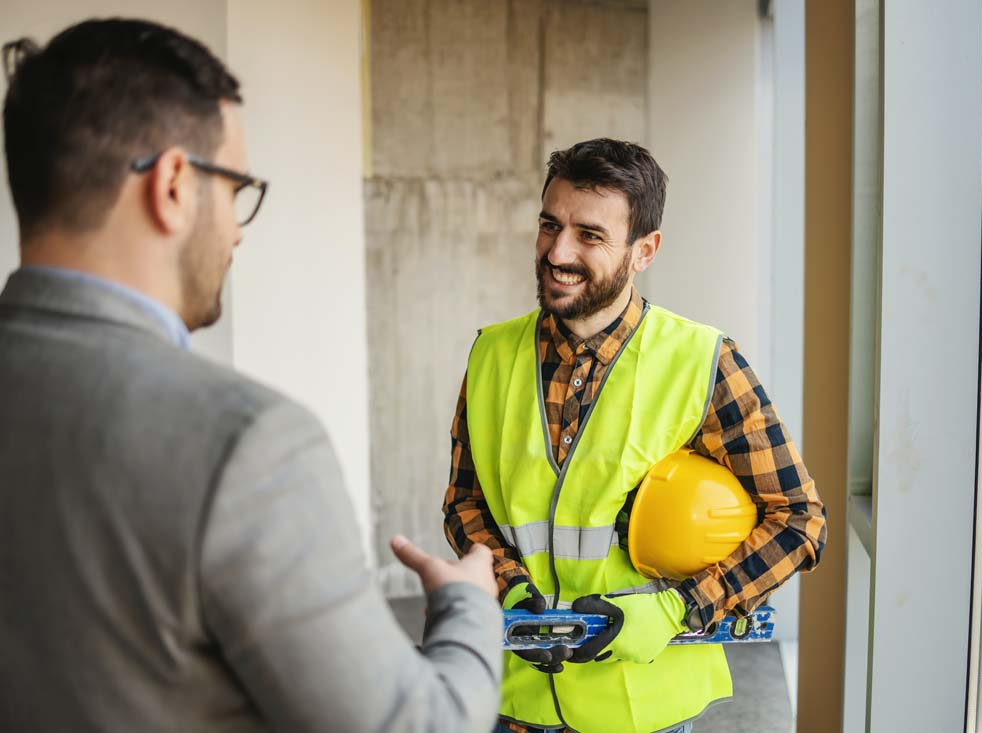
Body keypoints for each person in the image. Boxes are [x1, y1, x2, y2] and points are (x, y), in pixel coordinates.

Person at [0, 18, 500, 732]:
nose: (237, 228)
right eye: (236, 188)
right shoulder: (248, 444)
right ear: (174, 183)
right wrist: (467, 607)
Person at [443, 138, 827, 733]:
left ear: (644, 250)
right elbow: (465, 504)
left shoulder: (703, 361)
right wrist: (509, 588)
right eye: (550, 225)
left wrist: (680, 607)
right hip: (513, 701)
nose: (557, 251)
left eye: (590, 235)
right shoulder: (491, 353)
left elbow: (800, 521)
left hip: (644, 710)